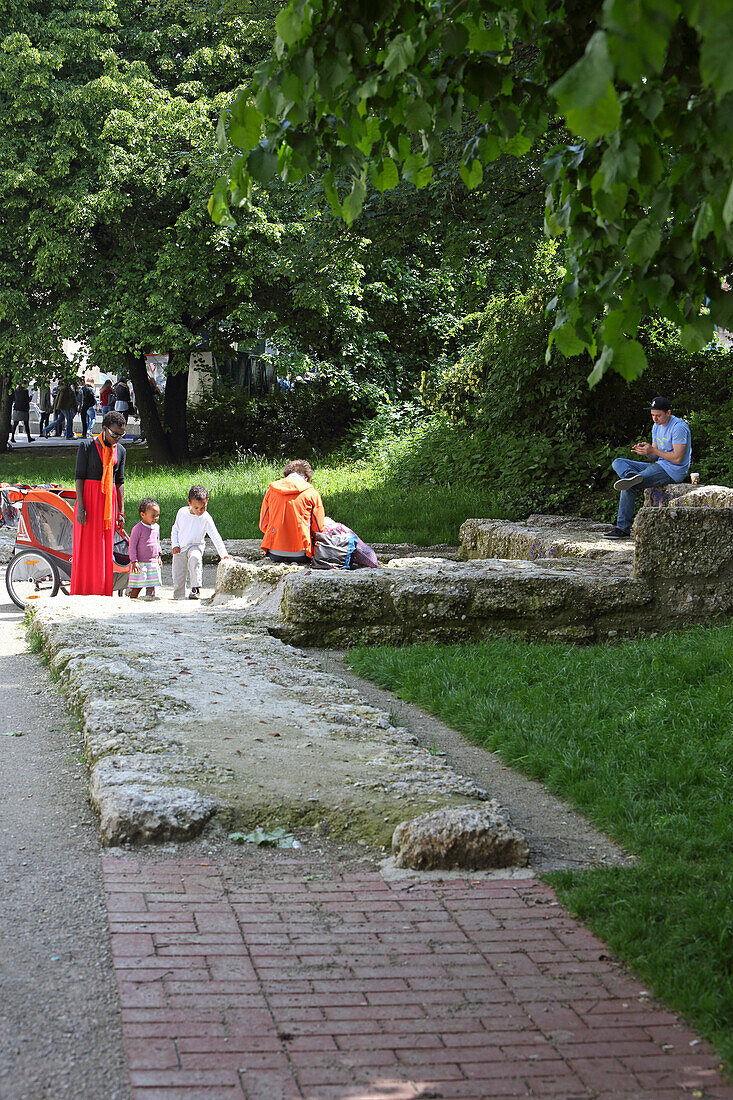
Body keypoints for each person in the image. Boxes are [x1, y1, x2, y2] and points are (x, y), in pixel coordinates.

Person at [605, 396, 692, 540]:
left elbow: (678, 458)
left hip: (673, 471)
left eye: (658, 415)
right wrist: (646, 451)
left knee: (630, 485)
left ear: (668, 413)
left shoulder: (679, 427)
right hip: (659, 465)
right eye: (652, 415)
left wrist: (653, 450)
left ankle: (622, 528)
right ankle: (630, 475)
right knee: (618, 462)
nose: (655, 419)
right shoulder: (656, 426)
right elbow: (655, 458)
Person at [70, 410, 126, 595]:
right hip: (88, 500)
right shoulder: (87, 446)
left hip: (108, 505)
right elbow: (79, 477)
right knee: (86, 547)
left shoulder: (121, 451)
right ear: (104, 429)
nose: (118, 437)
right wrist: (81, 507)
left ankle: (101, 590)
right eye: (115, 433)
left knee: (103, 547)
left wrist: (121, 512)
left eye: (121, 434)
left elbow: (120, 482)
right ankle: (82, 590)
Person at [259, 460, 325, 564]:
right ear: (306, 478)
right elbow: (318, 528)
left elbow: (263, 525)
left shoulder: (271, 491)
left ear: (287, 475)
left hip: (274, 552)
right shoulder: (311, 493)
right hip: (302, 553)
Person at [171, 486, 231, 600]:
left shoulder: (206, 518)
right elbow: (175, 529)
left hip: (196, 545)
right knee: (178, 573)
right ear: (189, 503)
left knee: (195, 558)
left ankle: (195, 588)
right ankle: (178, 596)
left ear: (207, 501)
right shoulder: (182, 512)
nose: (200, 511)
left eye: (203, 507)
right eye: (196, 507)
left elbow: (215, 535)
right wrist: (175, 544)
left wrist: (223, 554)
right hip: (180, 548)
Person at [128, 498, 162, 600]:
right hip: (140, 562)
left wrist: (159, 556)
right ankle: (132, 598)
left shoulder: (156, 527)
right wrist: (134, 561)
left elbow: (157, 542)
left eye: (157, 515)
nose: (155, 518)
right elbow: (132, 546)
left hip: (152, 561)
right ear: (143, 515)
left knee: (151, 583)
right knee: (138, 584)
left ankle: (150, 598)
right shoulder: (137, 529)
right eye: (153, 516)